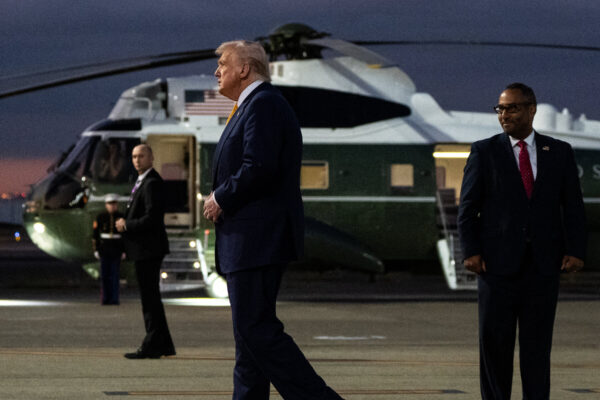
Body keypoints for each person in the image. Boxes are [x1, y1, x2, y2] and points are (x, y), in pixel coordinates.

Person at [203, 40, 344, 400]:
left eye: (223, 64)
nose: (216, 71)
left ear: (244, 69)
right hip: (249, 238)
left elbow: (259, 165)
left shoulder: (263, 104)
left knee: (257, 331)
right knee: (248, 338)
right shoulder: (251, 106)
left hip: (256, 238)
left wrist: (221, 197)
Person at [458, 83, 586, 399]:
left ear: (532, 110)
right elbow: (468, 207)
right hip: (496, 268)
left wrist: (575, 250)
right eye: (500, 109)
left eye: (512, 108)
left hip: (543, 267)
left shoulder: (559, 152)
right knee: (495, 348)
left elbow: (573, 206)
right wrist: (471, 251)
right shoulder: (484, 151)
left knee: (537, 349)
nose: (504, 115)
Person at [116, 144, 175, 359]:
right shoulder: (143, 181)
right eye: (134, 156)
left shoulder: (151, 183)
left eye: (141, 156)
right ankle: (164, 344)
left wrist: (127, 225)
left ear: (151, 158)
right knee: (151, 298)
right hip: (145, 249)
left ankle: (152, 344)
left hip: (148, 249)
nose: (137, 160)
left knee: (149, 299)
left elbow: (152, 217)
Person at [92, 193, 125, 305]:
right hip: (104, 248)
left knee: (115, 275)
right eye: (110, 204)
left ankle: (114, 298)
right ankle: (105, 298)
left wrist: (124, 250)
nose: (112, 206)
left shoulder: (121, 217)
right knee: (105, 275)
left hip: (116, 248)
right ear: (106, 205)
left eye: (114, 204)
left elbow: (124, 235)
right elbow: (95, 234)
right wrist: (96, 249)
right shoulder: (100, 217)